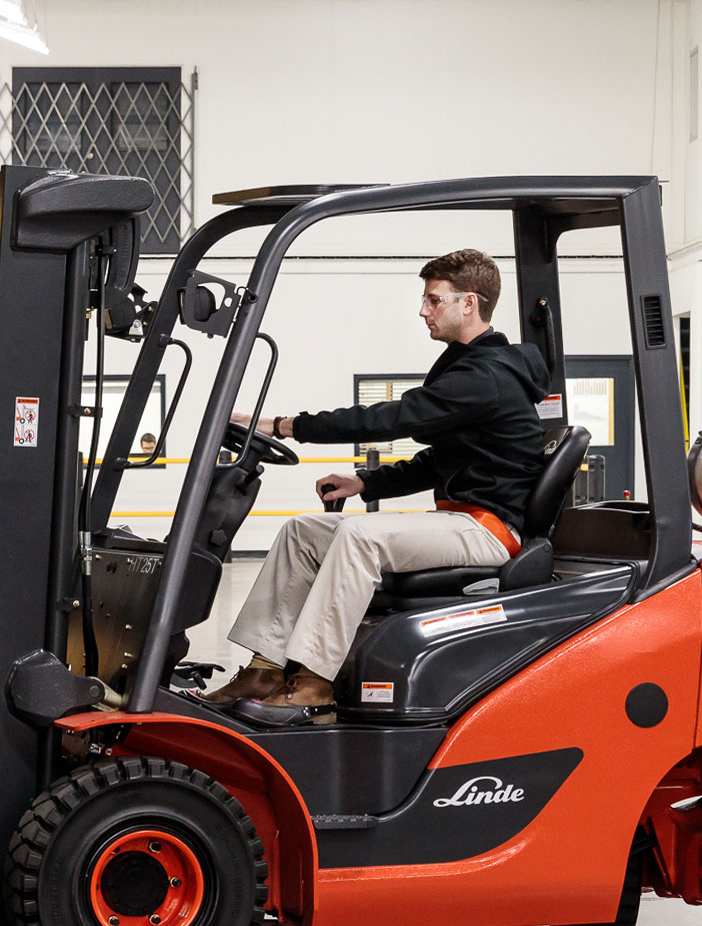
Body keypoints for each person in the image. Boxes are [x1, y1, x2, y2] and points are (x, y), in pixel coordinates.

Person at [204, 248, 548, 717]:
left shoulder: (486, 375)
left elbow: (393, 417)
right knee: (302, 531)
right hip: (459, 520)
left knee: (357, 535)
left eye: (433, 299)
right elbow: (439, 460)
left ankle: (313, 682)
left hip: (488, 529)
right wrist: (364, 484)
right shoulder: (468, 367)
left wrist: (285, 425)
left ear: (469, 303)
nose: (423, 310)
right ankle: (265, 668)